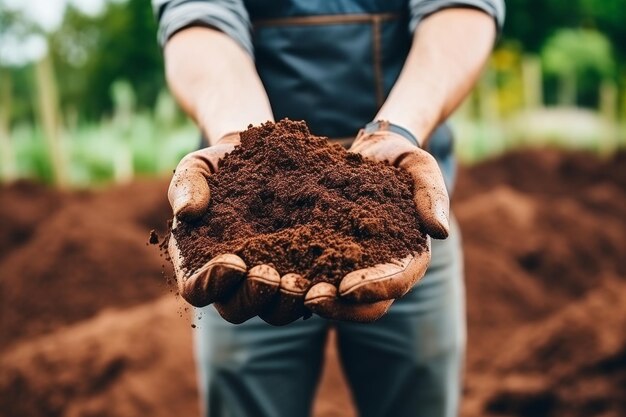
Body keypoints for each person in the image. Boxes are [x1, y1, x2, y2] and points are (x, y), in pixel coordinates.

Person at [153, 1, 504, 416]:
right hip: (242, 242)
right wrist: (245, 140)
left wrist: (399, 130)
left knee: (418, 392)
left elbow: (459, 10)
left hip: (404, 212)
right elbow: (199, 16)